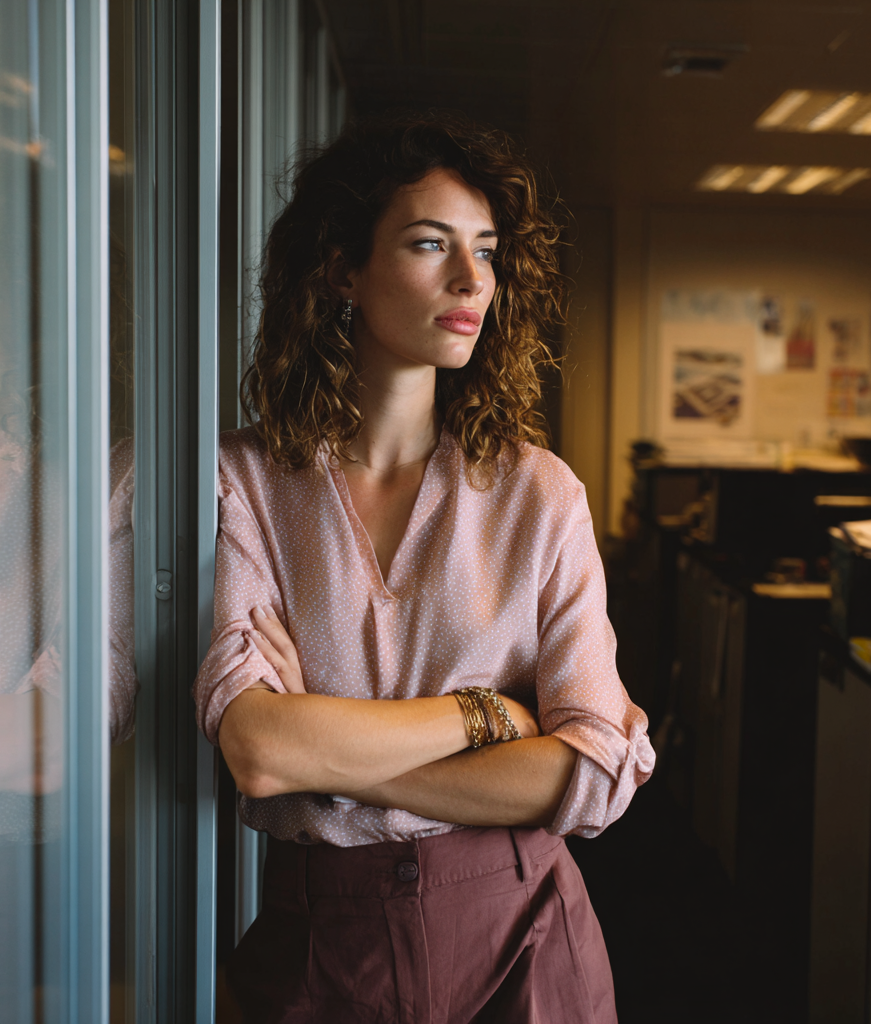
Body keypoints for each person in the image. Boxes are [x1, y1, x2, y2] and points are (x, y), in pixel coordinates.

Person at [193, 111, 654, 1024]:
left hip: (522, 934)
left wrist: (331, 757)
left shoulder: (539, 494)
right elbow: (258, 745)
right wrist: (487, 718)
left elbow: (589, 774)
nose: (470, 279)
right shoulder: (243, 482)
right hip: (322, 941)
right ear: (343, 271)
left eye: (484, 250)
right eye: (429, 243)